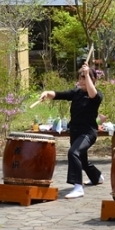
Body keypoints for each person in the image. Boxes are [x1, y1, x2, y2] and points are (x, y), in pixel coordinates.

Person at [38, 63, 103, 199]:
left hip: (88, 133)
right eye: (80, 77)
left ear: (93, 79)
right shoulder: (76, 93)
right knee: (82, 160)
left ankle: (78, 187)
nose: (81, 80)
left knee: (73, 153)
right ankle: (97, 177)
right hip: (75, 132)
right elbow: (58, 94)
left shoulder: (96, 96)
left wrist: (87, 73)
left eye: (84, 77)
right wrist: (46, 93)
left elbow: (92, 93)